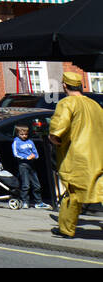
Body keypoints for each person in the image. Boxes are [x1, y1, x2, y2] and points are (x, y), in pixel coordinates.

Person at [48, 72, 103, 238]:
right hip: (98, 154)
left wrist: (54, 140)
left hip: (77, 156)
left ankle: (66, 228)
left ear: (65, 85)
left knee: (72, 192)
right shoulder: (95, 105)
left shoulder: (67, 103)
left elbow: (57, 130)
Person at [10, 123, 50, 210]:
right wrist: (25, 158)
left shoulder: (30, 142)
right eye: (22, 134)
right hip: (23, 165)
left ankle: (39, 202)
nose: (24, 136)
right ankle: (25, 201)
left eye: (26, 134)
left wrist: (34, 156)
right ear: (17, 133)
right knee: (26, 184)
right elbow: (15, 154)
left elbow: (36, 153)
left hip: (31, 165)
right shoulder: (16, 142)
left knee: (37, 184)